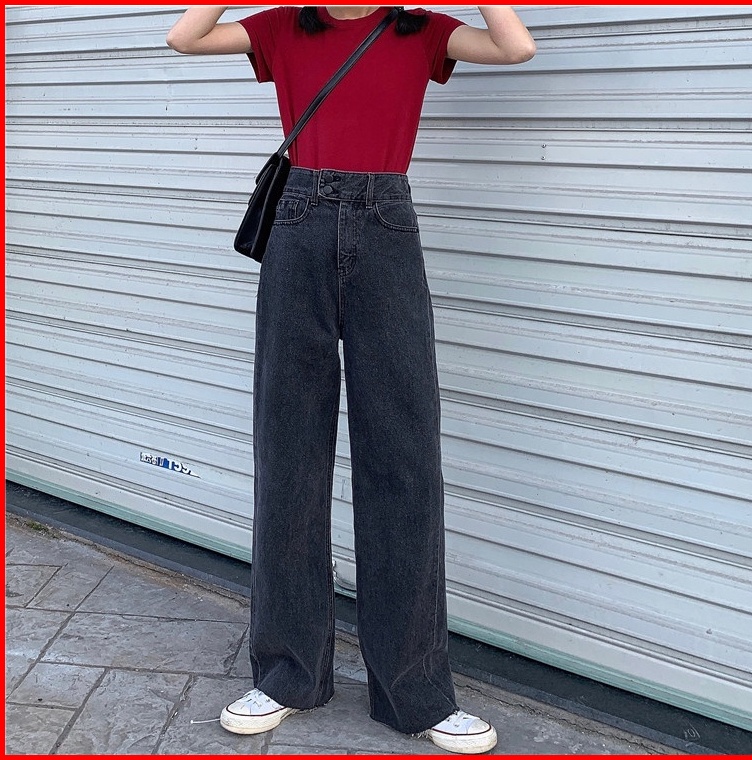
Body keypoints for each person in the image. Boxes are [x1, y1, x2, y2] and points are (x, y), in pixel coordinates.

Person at [166, 5, 535, 754]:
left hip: (387, 228)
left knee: (404, 458)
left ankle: (416, 691)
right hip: (297, 228)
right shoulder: (283, 28)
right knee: (289, 453)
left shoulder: (420, 32)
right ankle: (286, 675)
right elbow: (186, 36)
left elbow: (515, 47)